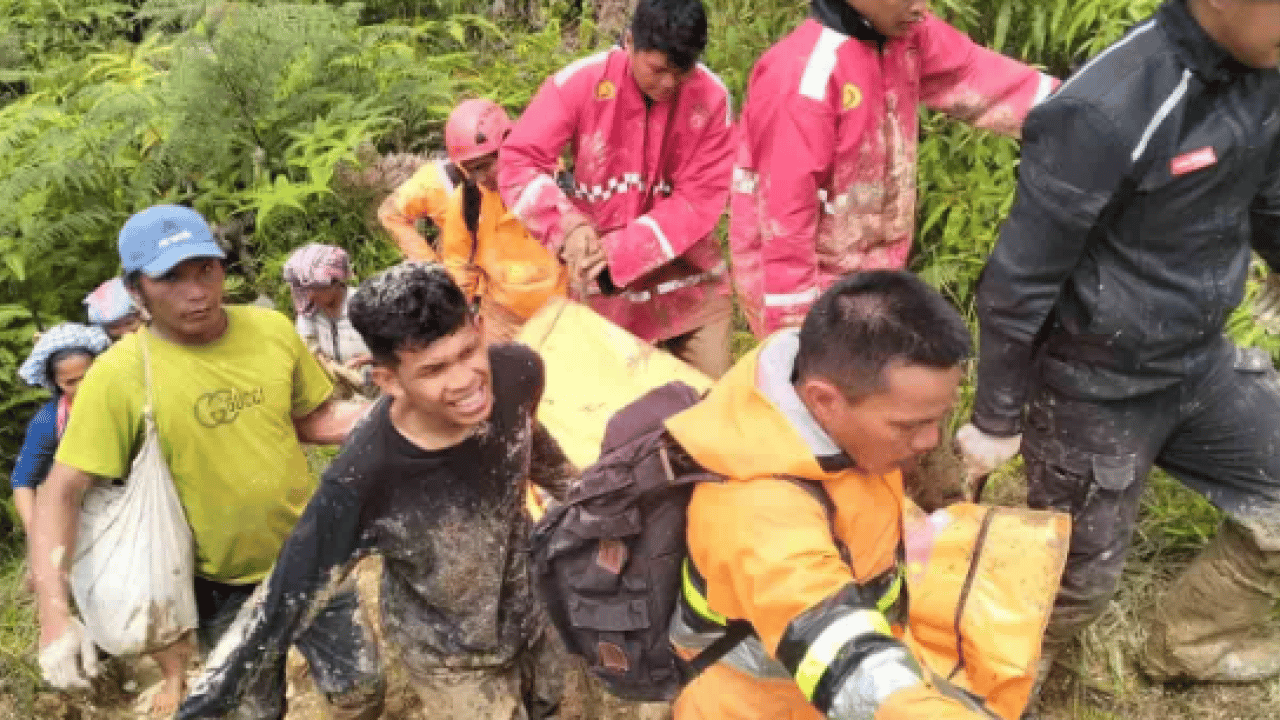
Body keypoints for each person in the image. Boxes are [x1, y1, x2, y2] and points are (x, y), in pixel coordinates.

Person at [957, 0, 1280, 687]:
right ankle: (988, 680)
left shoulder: (1266, 65)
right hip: (1092, 386)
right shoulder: (1105, 109)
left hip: (1199, 360)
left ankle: (1189, 645)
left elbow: (1268, 196)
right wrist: (995, 418)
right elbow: (1017, 281)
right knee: (1073, 585)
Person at [28, 205, 386, 720]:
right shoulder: (119, 376)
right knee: (252, 710)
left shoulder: (270, 330)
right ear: (136, 290)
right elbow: (61, 490)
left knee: (360, 692)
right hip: (219, 588)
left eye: (205, 269)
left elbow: (312, 418)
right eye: (169, 277)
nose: (195, 290)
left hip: (313, 553)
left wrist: (396, 414)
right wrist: (54, 617)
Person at [176, 262, 576, 720]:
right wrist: (201, 707)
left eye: (468, 351)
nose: (465, 380)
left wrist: (583, 495)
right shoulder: (364, 478)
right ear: (388, 380)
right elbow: (282, 602)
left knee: (553, 704)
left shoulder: (517, 373)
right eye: (434, 370)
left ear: (480, 328)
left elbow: (529, 440)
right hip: (451, 653)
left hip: (533, 607)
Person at [665, 270, 989, 719]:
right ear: (823, 399)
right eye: (909, 426)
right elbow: (840, 651)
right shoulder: (756, 511)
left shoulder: (834, 413)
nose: (930, 440)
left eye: (940, 418)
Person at [728, 0, 1057, 337]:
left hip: (876, 279)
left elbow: (976, 75)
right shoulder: (804, 78)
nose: (921, 7)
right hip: (805, 290)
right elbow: (785, 227)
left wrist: (1080, 109)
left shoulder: (906, 36)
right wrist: (793, 339)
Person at [499, 0, 736, 378]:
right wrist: (567, 227)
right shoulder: (578, 85)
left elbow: (700, 200)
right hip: (607, 296)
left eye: (682, 71)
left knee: (710, 406)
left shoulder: (711, 99)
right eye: (657, 69)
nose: (669, 83)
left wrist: (619, 252)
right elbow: (518, 162)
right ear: (629, 42)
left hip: (690, 288)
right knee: (617, 416)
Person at [381, 99, 568, 342]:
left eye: (484, 166)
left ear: (510, 147)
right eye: (470, 170)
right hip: (502, 319)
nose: (479, 178)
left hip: (563, 315)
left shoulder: (556, 184)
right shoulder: (468, 199)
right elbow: (460, 265)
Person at [283, 243, 375, 397]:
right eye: (306, 290)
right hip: (340, 396)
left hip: (377, 391)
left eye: (316, 288)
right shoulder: (309, 311)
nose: (310, 296)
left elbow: (399, 350)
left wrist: (367, 360)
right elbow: (309, 344)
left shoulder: (366, 306)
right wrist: (332, 367)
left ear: (336, 282)